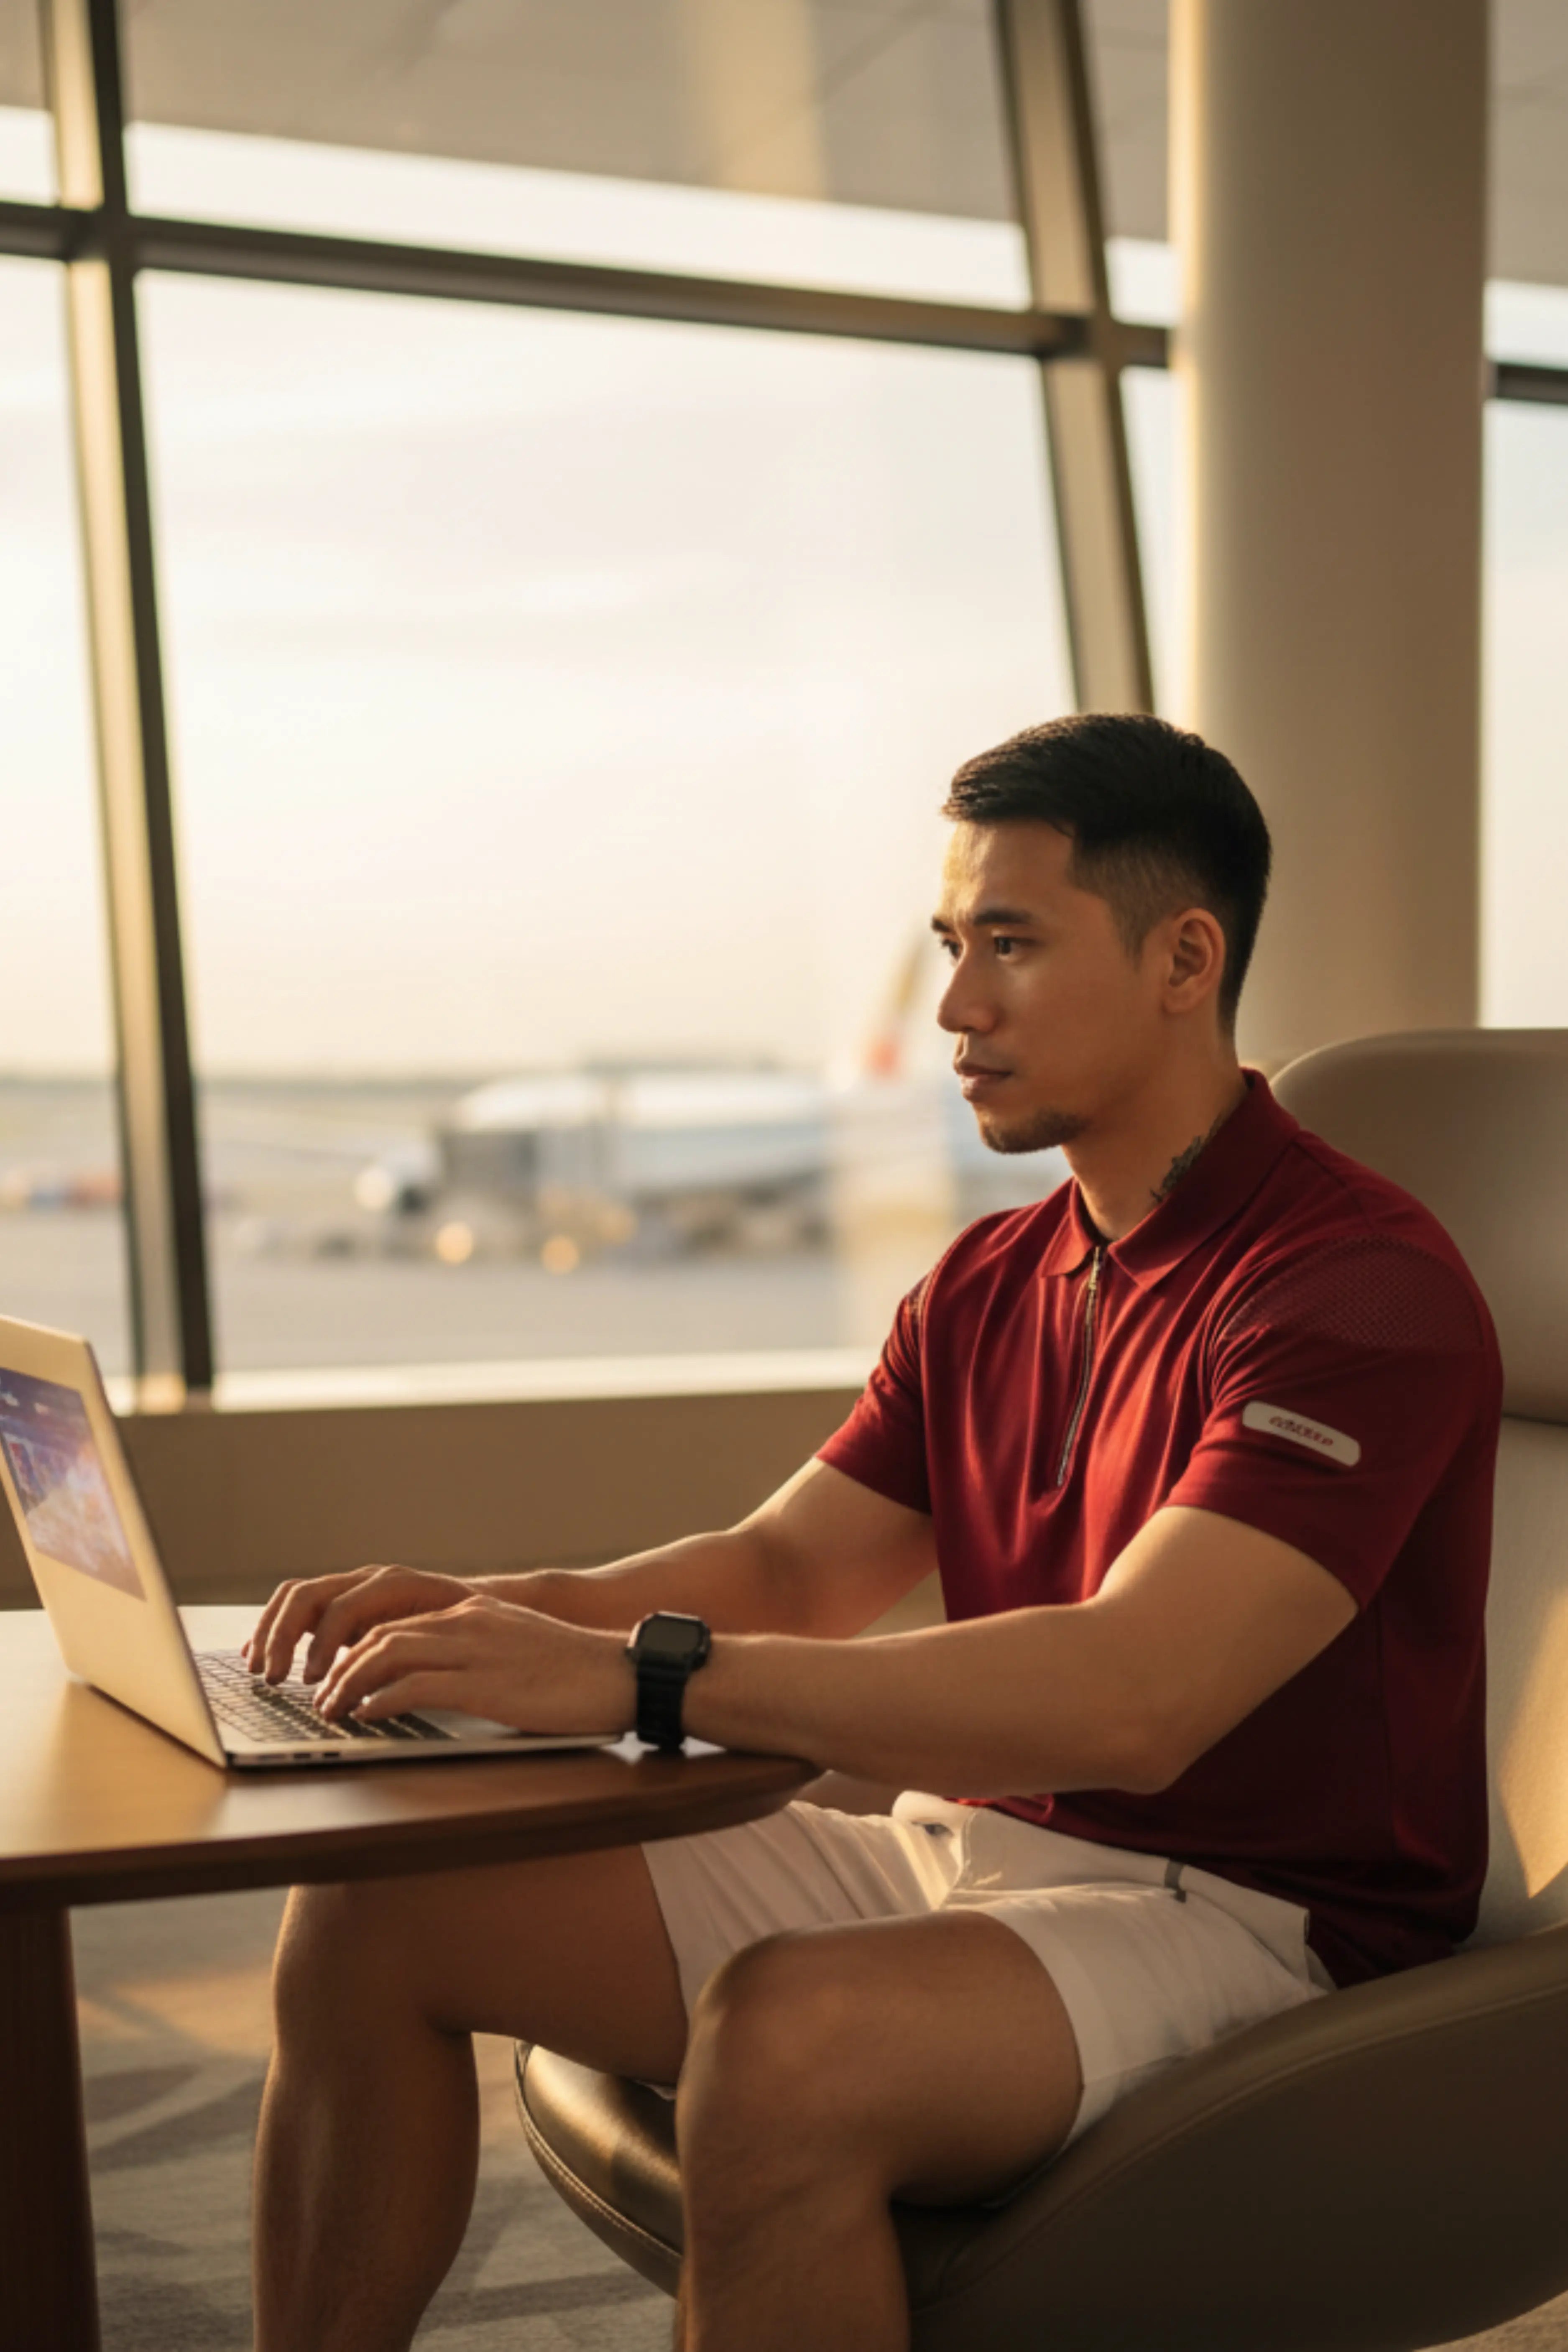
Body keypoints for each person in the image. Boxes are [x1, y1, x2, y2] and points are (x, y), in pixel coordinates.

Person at [245, 713, 1501, 2352]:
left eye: (1008, 946)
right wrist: (488, 1615)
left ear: (1182, 959)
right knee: (374, 1904)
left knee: (792, 2035)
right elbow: (786, 1568)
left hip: (1249, 1920)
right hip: (966, 1854)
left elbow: (1136, 1696)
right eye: (944, 946)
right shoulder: (987, 1283)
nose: (955, 1007)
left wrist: (637, 1680)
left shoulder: (1348, 1290)